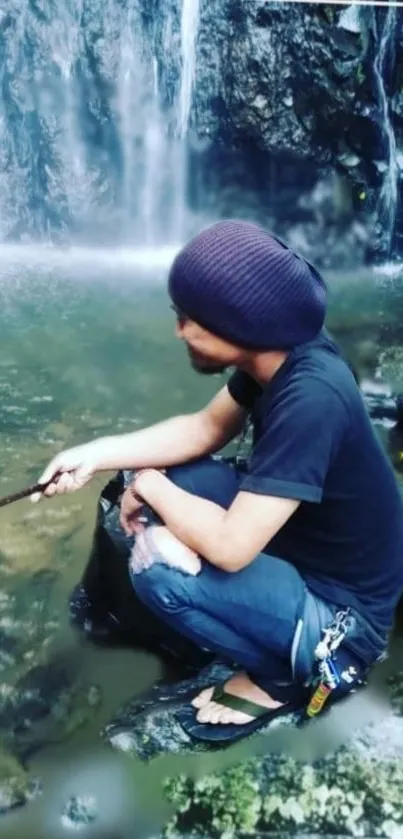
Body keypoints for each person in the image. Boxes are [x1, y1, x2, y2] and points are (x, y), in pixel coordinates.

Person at [33, 220, 403, 744]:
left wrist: (149, 485)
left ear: (243, 330)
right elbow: (205, 428)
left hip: (342, 612)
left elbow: (231, 547)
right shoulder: (279, 351)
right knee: (164, 484)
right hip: (303, 541)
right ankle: (250, 616)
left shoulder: (312, 398)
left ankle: (282, 676)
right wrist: (93, 455)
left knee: (158, 567)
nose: (179, 332)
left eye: (191, 320)